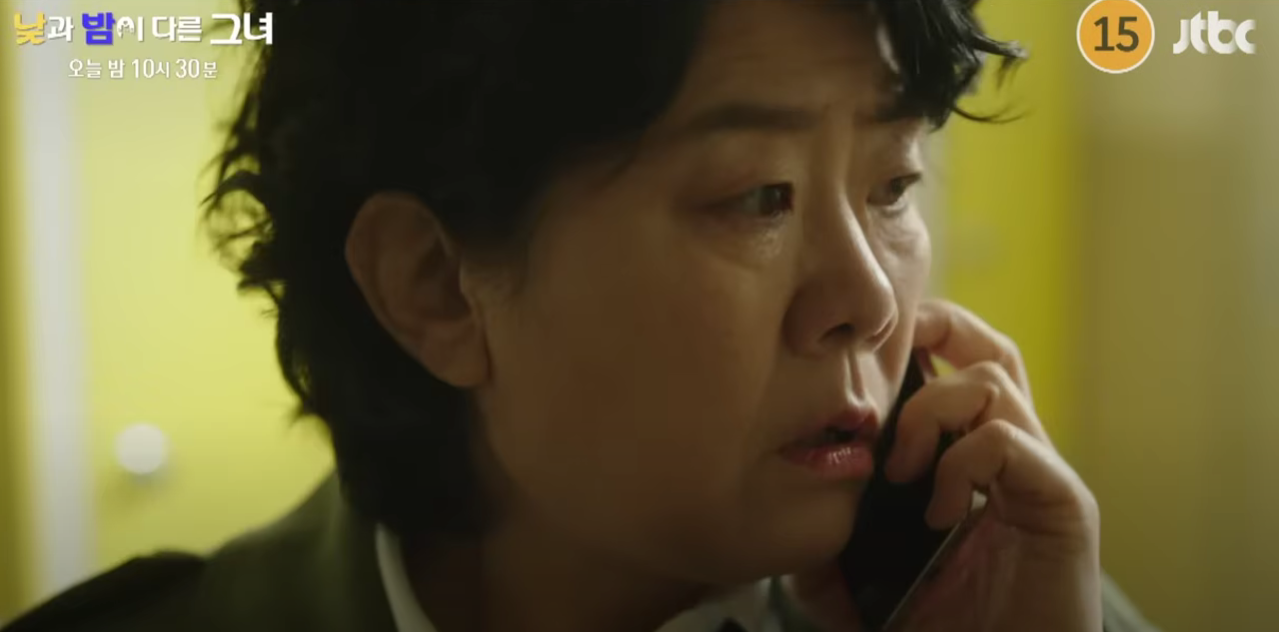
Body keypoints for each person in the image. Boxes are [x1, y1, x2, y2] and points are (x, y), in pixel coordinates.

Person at [3, 1, 1162, 631]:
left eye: (893, 186)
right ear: (433, 284)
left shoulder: (1010, 598)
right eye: (757, 196)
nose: (866, 300)